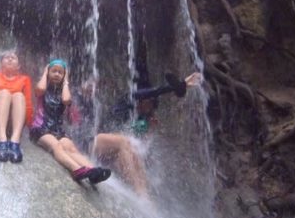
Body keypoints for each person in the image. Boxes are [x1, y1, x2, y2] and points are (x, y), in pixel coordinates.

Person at [72, 71, 203, 196]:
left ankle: (144, 197)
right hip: (92, 144)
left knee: (133, 153)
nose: (149, 108)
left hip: (109, 157)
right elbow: (151, 92)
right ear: (143, 101)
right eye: (149, 103)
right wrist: (180, 85)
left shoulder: (140, 121)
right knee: (124, 141)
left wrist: (150, 132)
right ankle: (141, 194)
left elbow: (142, 149)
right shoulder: (125, 102)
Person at [29, 59, 112, 185]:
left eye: (60, 72)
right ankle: (76, 170)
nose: (57, 74)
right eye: (54, 71)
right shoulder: (43, 89)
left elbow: (66, 100)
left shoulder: (64, 91)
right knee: (56, 146)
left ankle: (93, 171)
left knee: (71, 148)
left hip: (57, 130)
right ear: (48, 73)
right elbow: (39, 89)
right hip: (40, 129)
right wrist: (45, 72)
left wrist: (66, 82)